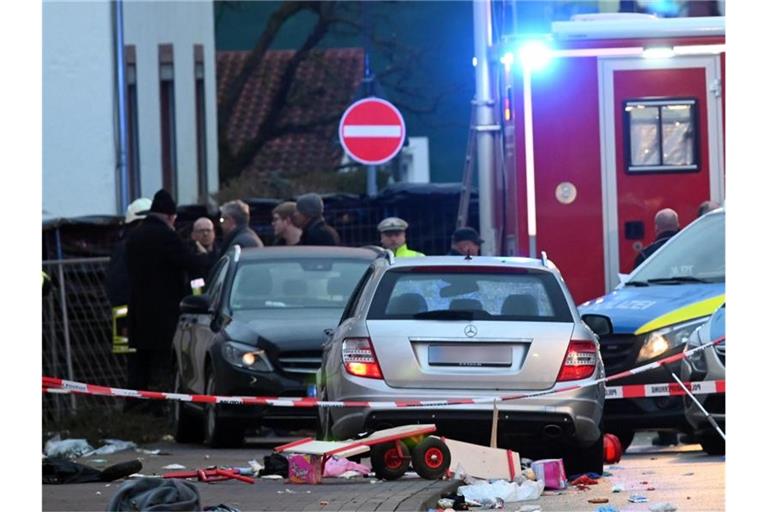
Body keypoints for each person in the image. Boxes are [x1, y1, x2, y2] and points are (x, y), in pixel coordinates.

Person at [124, 190, 207, 412]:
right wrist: (206, 258)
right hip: (165, 315)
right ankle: (159, 410)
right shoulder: (167, 237)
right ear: (171, 216)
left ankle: (134, 409)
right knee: (163, 365)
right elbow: (190, 263)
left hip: (138, 313)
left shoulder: (135, 237)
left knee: (140, 365)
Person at [188, 217, 219, 281]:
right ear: (193, 235)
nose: (205, 234)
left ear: (214, 233)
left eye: (208, 230)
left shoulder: (222, 253)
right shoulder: (189, 255)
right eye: (201, 231)